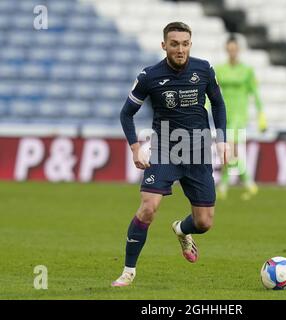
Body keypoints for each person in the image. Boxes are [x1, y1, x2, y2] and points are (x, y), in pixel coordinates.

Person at [112, 22, 228, 287]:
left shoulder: (204, 69)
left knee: (204, 222)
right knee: (148, 209)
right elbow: (126, 113)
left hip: (198, 150)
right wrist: (134, 147)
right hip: (165, 149)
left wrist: (222, 140)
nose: (180, 49)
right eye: (174, 44)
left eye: (185, 43)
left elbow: (219, 104)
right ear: (164, 45)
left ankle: (182, 230)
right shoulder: (149, 76)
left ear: (190, 44)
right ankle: (128, 271)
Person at [214, 35, 267, 201]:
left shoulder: (247, 71)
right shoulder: (219, 69)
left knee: (228, 149)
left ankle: (226, 186)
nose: (232, 52)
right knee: (231, 152)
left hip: (239, 116)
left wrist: (261, 115)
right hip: (224, 115)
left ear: (239, 50)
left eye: (234, 49)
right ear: (226, 50)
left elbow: (255, 93)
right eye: (229, 49)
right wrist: (204, 108)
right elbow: (212, 93)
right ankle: (247, 184)